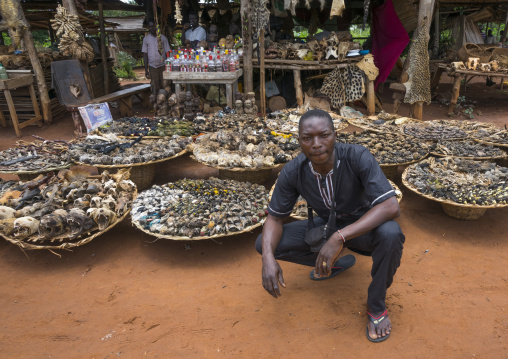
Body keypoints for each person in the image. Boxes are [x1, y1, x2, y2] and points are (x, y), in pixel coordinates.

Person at [256, 109, 405, 343]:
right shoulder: (294, 171)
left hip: (362, 230)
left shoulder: (357, 157)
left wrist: (339, 238)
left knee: (391, 232)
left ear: (335, 135)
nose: (316, 144)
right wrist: (267, 259)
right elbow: (274, 218)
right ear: (300, 141)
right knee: (264, 245)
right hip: (329, 226)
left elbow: (390, 206)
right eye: (308, 138)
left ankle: (376, 306)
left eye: (324, 135)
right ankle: (329, 264)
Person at [142, 20, 170, 97]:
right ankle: (157, 104)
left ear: (157, 27)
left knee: (164, 84)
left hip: (162, 65)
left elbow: (168, 52)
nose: (152, 28)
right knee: (154, 85)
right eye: (150, 27)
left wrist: (168, 66)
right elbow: (145, 54)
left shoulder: (163, 38)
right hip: (152, 66)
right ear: (148, 28)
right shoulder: (146, 39)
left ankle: (165, 101)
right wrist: (146, 69)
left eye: (153, 26)